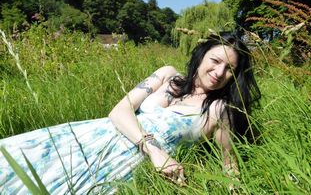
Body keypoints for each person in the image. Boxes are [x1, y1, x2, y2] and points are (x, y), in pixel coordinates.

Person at [0, 32, 261, 194]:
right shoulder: (168, 75)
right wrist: (154, 150)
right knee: (17, 162)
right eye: (215, 61)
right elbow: (119, 110)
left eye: (229, 69)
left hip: (122, 164)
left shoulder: (219, 110)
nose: (218, 73)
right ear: (202, 56)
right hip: (93, 135)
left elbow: (230, 167)